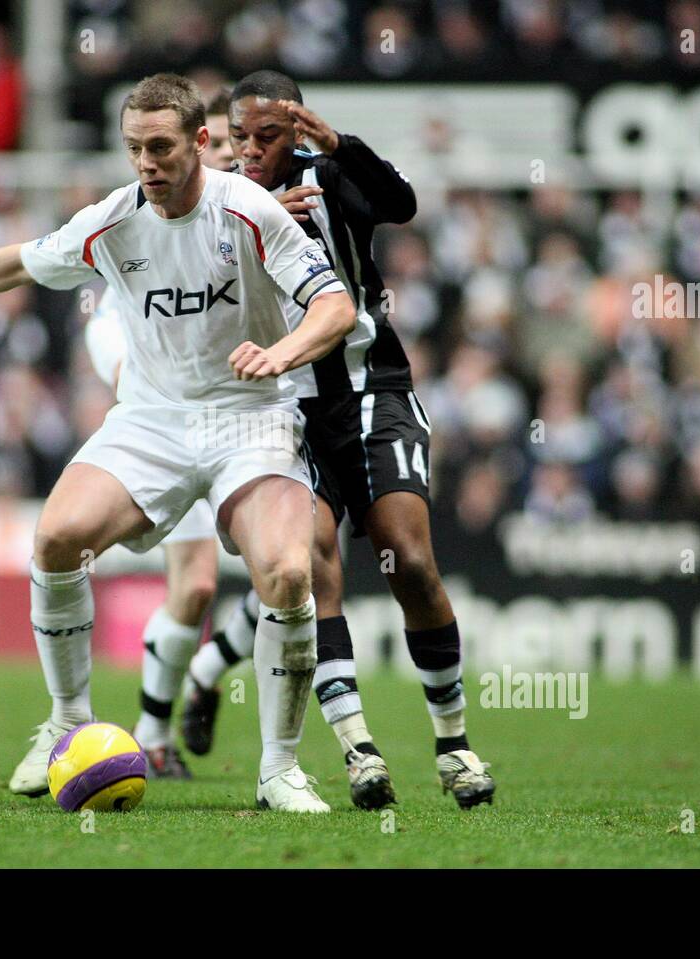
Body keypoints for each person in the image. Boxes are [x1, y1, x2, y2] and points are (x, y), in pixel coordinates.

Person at [0, 73, 357, 813]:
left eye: (160, 147)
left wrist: (282, 354)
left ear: (200, 143)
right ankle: (68, 722)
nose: (145, 163)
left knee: (285, 572)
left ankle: (279, 769)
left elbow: (333, 305)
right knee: (55, 538)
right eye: (134, 148)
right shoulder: (114, 220)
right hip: (153, 418)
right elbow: (24, 258)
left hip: (252, 414)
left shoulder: (249, 211)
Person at [181, 70, 496, 811]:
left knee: (410, 559)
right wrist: (248, 220)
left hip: (370, 393)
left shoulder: (330, 177)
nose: (252, 152)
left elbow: (401, 204)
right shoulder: (212, 202)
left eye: (268, 137)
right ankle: (357, 748)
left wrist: (342, 146)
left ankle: (453, 744)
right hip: (277, 408)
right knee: (307, 564)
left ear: (294, 129)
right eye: (239, 139)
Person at [75, 90, 237, 781]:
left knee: (303, 570)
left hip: (256, 413)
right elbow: (109, 323)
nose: (234, 155)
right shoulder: (145, 214)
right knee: (197, 585)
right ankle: (151, 730)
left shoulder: (260, 214)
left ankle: (209, 666)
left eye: (241, 144)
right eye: (225, 142)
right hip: (173, 412)